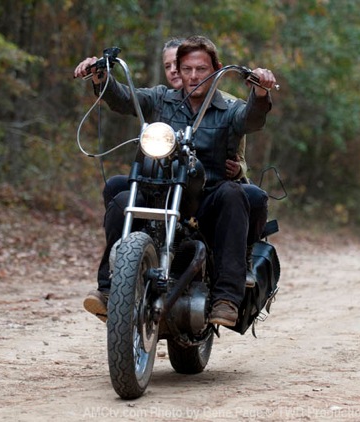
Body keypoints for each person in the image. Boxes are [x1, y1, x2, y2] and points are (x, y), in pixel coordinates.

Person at [74, 35, 277, 326]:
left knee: (234, 194)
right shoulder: (160, 99)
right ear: (178, 71)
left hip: (206, 197)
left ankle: (226, 298)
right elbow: (123, 98)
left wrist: (260, 93)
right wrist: (102, 77)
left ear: (216, 69)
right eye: (187, 69)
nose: (194, 76)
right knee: (120, 198)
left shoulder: (229, 108)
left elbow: (252, 119)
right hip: (159, 191)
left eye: (202, 69)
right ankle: (109, 289)